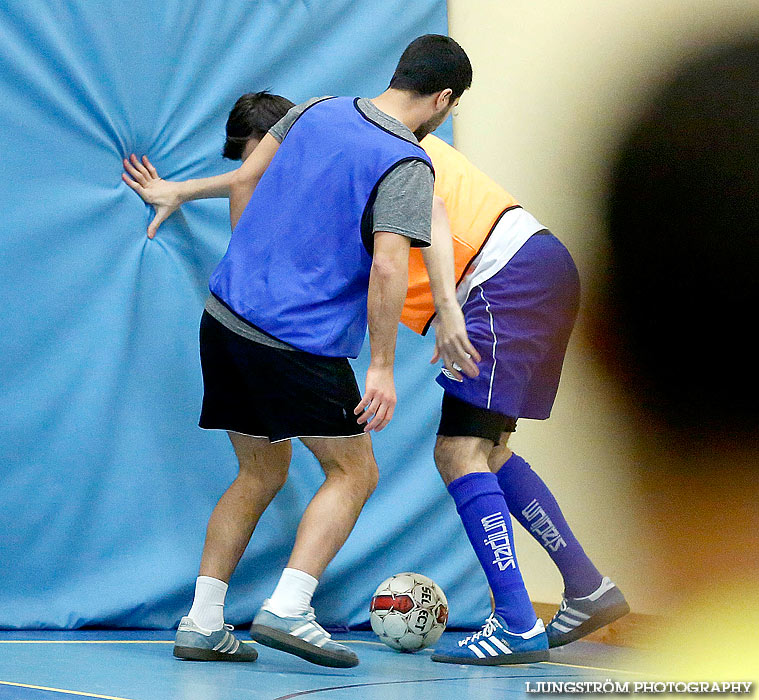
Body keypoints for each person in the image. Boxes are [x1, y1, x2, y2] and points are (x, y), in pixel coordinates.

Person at [125, 92, 627, 667]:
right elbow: (249, 179)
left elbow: (431, 217)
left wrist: (441, 310)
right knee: (479, 451)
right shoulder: (340, 150)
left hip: (503, 278)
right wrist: (182, 191)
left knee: (460, 452)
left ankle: (517, 619)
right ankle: (586, 588)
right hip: (504, 277)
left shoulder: (385, 151)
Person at [124, 34, 474, 668]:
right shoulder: (406, 163)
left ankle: (202, 622)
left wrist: (179, 190)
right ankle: (289, 607)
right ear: (443, 99)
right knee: (355, 470)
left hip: (225, 319)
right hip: (294, 342)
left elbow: (246, 176)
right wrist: (383, 367)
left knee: (260, 471)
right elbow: (390, 269)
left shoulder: (316, 107)